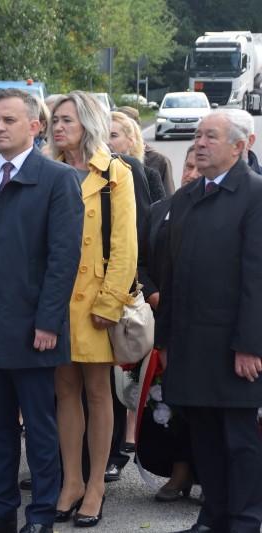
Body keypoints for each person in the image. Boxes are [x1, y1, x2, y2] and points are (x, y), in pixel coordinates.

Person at [0, 88, 84, 533]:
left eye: (9, 120)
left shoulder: (58, 180)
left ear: (35, 126)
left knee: (39, 429)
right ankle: (1, 510)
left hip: (31, 329)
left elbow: (64, 259)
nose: (0, 127)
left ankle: (40, 514)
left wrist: (48, 321)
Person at [156, 109, 262, 533]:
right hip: (188, 342)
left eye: (211, 136)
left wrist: (250, 345)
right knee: (203, 437)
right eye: (198, 135)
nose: (199, 143)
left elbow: (256, 278)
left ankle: (245, 520)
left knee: (239, 441)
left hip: (233, 346)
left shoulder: (255, 195)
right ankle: (213, 516)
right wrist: (164, 340)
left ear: (240, 146)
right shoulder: (185, 196)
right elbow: (170, 273)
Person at [49, 91, 137, 526]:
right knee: (63, 391)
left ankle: (96, 483)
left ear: (88, 122)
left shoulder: (115, 173)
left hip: (94, 302)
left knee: (98, 391)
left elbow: (125, 246)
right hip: (54, 299)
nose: (57, 127)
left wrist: (110, 302)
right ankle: (71, 481)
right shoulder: (46, 171)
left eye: (66, 119)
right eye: (54, 120)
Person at [136, 145, 199, 503]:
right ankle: (180, 470)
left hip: (205, 324)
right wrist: (154, 293)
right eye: (188, 166)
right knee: (167, 399)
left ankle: (213, 475)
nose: (191, 173)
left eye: (199, 167)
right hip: (163, 321)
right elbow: (140, 262)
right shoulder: (159, 209)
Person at [117, 106, 174, 196]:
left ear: (137, 129)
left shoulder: (159, 160)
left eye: (114, 135)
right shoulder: (106, 160)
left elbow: (169, 198)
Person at [109, 111, 165, 203]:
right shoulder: (94, 173)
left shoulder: (149, 176)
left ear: (130, 141)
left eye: (113, 136)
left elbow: (160, 209)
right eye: (102, 136)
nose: (106, 141)